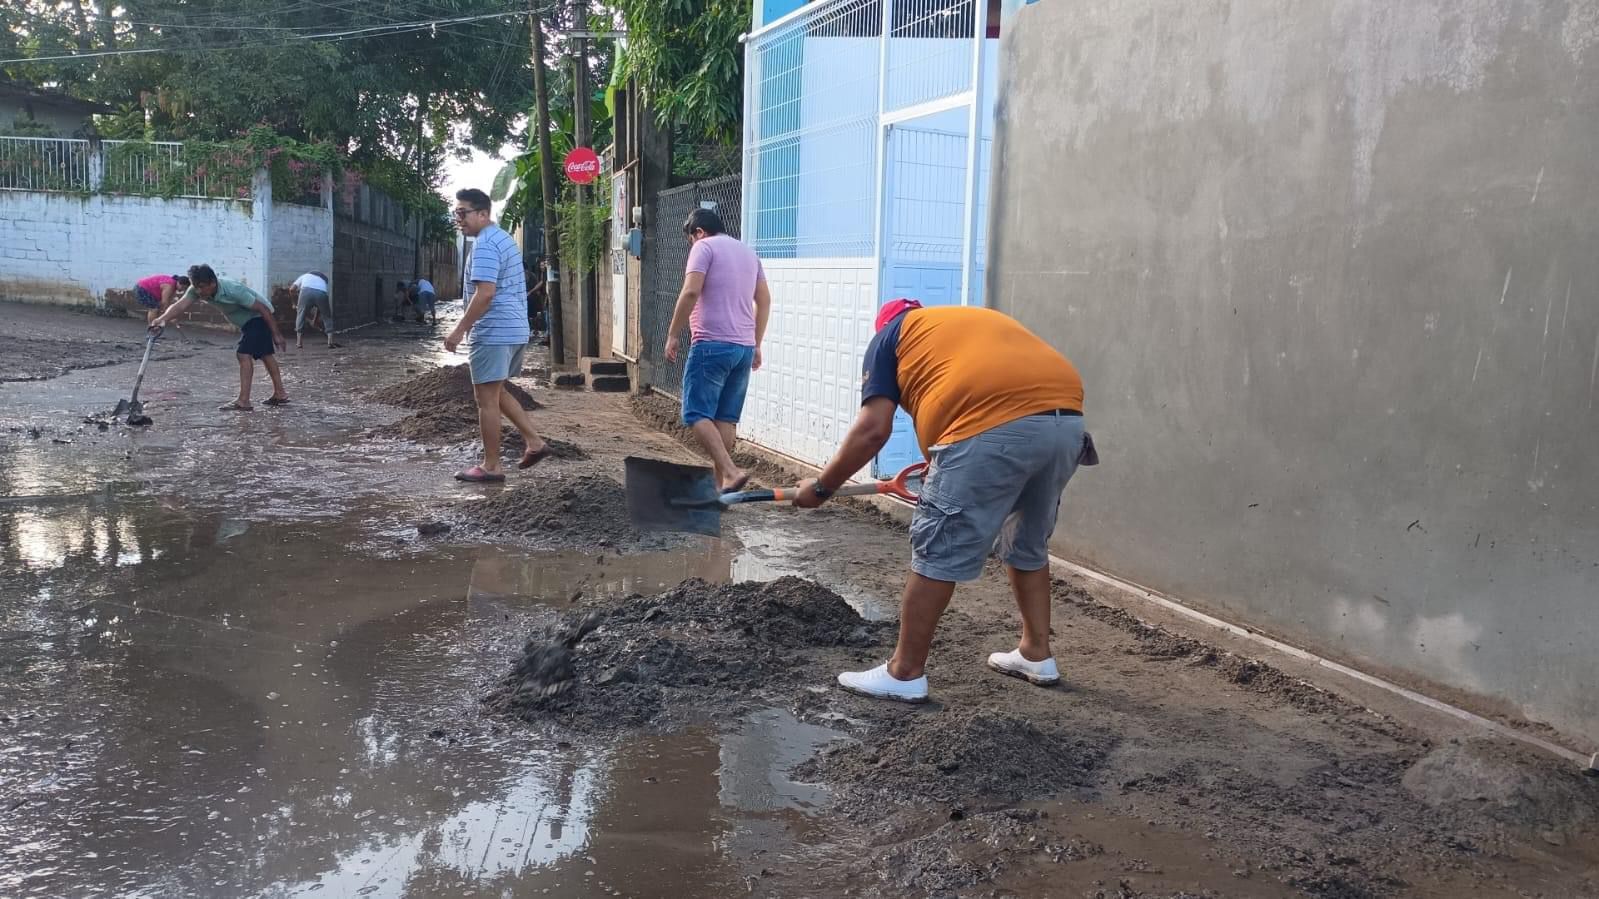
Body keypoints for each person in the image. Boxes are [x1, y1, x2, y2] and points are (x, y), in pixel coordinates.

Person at [793, 299, 1093, 703]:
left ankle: (904, 673)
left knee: (937, 544)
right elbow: (964, 397)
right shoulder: (963, 324)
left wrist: (821, 488)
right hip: (1066, 424)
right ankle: (1036, 653)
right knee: (1027, 542)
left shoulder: (889, 337)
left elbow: (873, 429)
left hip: (994, 423)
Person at [662, 208, 772, 492]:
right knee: (725, 417)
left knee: (695, 412)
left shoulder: (704, 247)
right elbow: (764, 300)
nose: (691, 244)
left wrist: (673, 334)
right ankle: (719, 487)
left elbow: (690, 291)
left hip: (711, 344)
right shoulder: (749, 254)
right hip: (743, 348)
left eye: (691, 238)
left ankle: (732, 473)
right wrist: (756, 343)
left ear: (698, 232)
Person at [444, 188, 550, 483]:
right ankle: (535, 443)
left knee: (486, 400)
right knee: (497, 392)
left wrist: (458, 330)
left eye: (462, 213)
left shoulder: (486, 245)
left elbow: (485, 294)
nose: (458, 219)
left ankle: (491, 466)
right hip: (513, 329)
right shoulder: (502, 239)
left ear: (482, 214)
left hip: (494, 330)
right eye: (456, 213)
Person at [151, 264, 290, 411]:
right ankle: (280, 394)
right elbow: (179, 306)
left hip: (258, 317)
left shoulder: (233, 289)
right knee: (265, 354)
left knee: (243, 354)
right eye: (196, 287)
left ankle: (244, 401)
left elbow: (263, 308)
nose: (198, 291)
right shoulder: (196, 290)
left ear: (213, 282)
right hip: (247, 322)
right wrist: (161, 319)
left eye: (202, 287)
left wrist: (277, 335)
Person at [292, 271, 339, 350]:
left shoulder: (304, 276)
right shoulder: (323, 281)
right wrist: (315, 320)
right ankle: (330, 342)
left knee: (301, 315)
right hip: (321, 294)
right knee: (327, 316)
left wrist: (293, 303)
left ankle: (299, 343)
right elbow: (320, 307)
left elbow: (291, 289)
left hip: (305, 292)